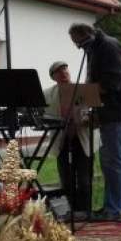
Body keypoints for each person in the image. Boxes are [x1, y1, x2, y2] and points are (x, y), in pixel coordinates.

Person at [68, 23, 121, 221]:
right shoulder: (97, 47)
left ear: (87, 36)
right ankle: (111, 206)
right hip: (108, 111)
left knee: (114, 160)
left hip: (117, 111)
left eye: (79, 44)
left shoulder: (108, 47)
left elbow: (112, 82)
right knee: (108, 160)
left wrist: (83, 95)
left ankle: (115, 209)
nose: (79, 48)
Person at [43, 61, 97, 214]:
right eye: (59, 71)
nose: (64, 73)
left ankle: (85, 211)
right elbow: (40, 112)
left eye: (65, 69)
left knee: (84, 180)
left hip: (83, 139)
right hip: (61, 141)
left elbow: (95, 112)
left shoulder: (83, 90)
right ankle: (71, 211)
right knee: (66, 180)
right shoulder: (47, 94)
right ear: (53, 77)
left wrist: (88, 118)